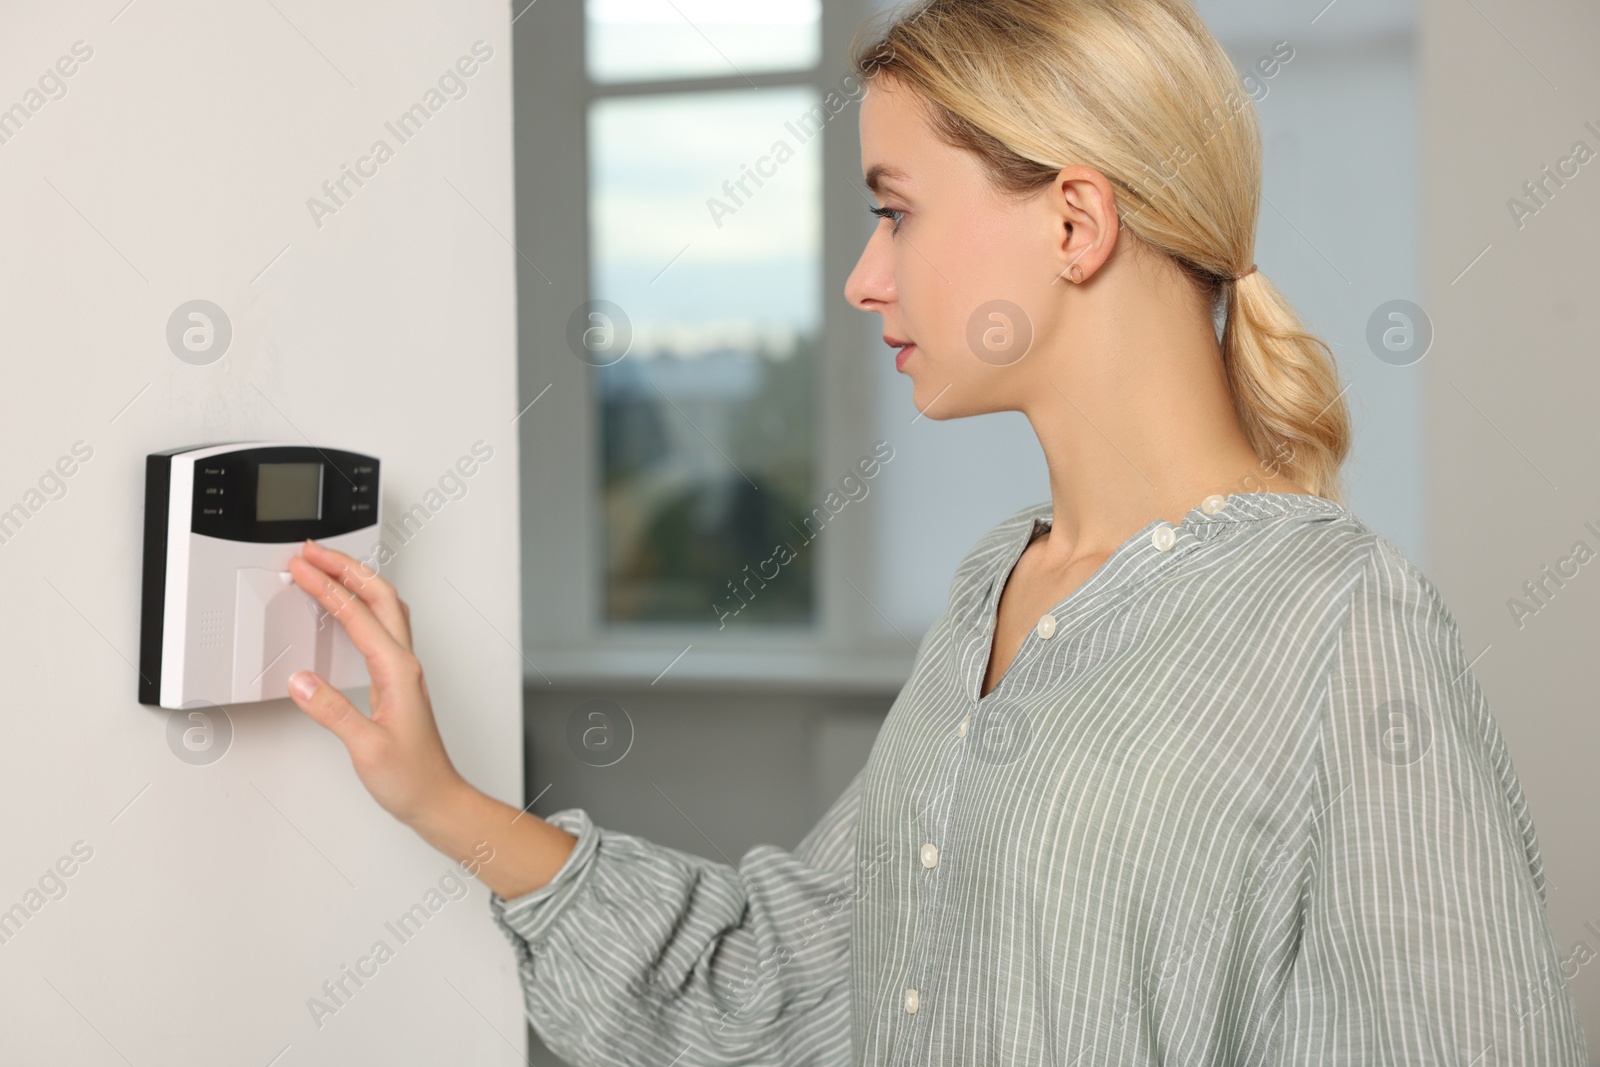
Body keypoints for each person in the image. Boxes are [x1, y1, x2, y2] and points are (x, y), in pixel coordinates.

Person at [283, 0, 1591, 1063]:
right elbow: (794, 974)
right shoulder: (992, 590)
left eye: (895, 207)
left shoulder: (1343, 620)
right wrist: (441, 801)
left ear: (1075, 222)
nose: (863, 276)